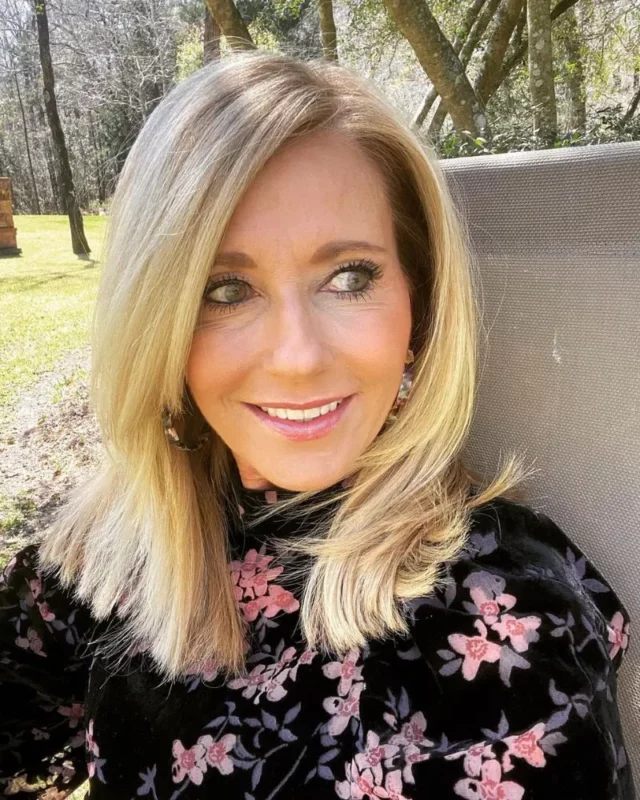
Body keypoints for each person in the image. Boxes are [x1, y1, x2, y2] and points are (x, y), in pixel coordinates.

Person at [0, 50, 634, 799]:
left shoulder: (509, 628)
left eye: (349, 278)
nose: (298, 358)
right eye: (225, 290)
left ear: (420, 306)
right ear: (158, 326)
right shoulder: (104, 557)